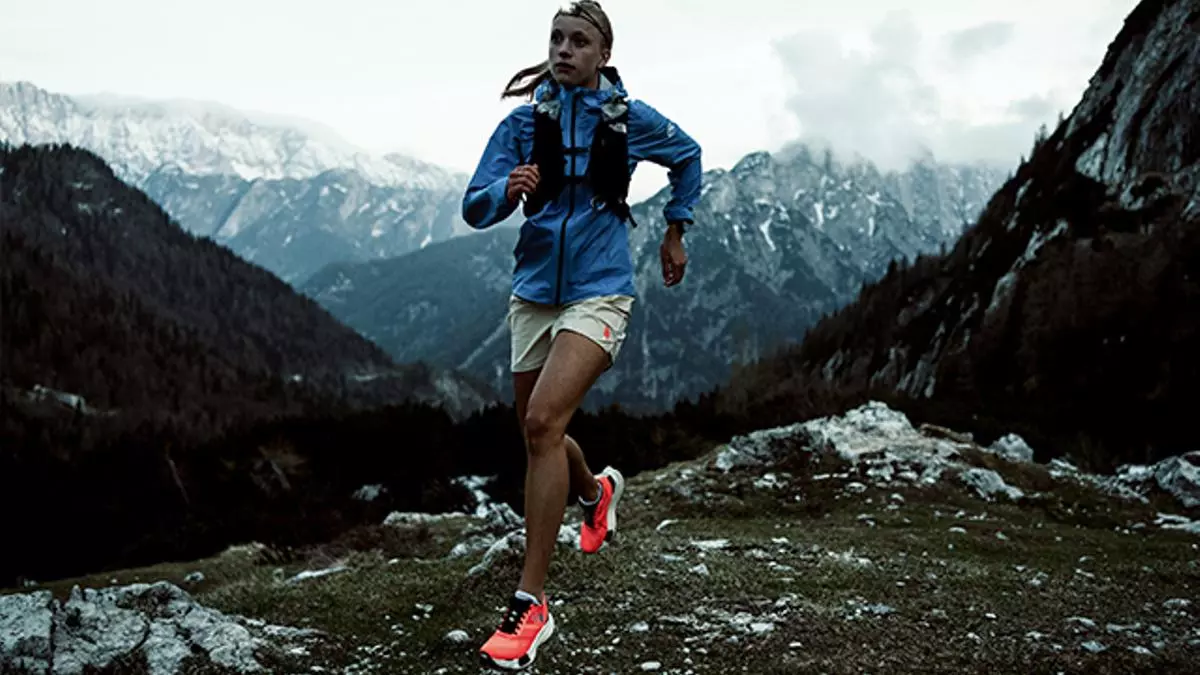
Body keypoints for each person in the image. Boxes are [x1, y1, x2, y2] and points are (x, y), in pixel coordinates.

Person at [461, 0, 702, 669]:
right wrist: (506, 190)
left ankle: (530, 606)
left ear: (603, 53)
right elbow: (474, 204)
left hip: (602, 287)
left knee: (541, 421)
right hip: (534, 293)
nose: (564, 49)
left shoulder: (629, 119)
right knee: (539, 430)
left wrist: (676, 228)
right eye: (556, 39)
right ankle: (596, 491)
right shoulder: (521, 124)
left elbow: (688, 156)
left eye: (578, 41)